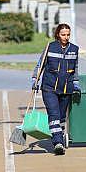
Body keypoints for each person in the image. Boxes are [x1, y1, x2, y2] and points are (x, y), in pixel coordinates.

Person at [32, 23, 80, 155]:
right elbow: (40, 64)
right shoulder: (50, 47)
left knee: (61, 117)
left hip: (66, 88)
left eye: (68, 34)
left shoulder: (74, 49)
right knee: (54, 115)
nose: (66, 37)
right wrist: (34, 79)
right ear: (58, 35)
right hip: (49, 88)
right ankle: (58, 142)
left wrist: (75, 83)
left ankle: (58, 136)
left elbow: (75, 69)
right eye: (63, 34)